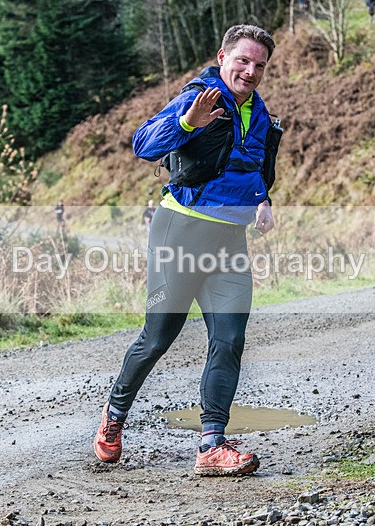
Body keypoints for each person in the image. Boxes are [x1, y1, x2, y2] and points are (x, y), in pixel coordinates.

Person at [93, 24, 276, 477]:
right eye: (242, 61)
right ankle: (114, 417)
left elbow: (249, 166)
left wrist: (263, 200)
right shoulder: (201, 96)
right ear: (222, 57)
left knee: (229, 340)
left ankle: (211, 444)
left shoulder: (257, 109)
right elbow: (143, 144)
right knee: (158, 338)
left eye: (259, 65)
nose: (250, 71)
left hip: (230, 242)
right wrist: (187, 123)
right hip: (181, 233)